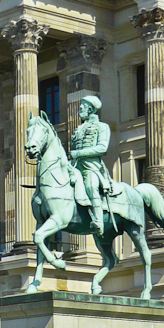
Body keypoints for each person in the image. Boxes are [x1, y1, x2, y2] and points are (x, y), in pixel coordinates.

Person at [69, 96, 114, 232]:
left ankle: (98, 221)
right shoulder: (78, 130)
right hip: (75, 166)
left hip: (91, 167)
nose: (80, 109)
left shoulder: (102, 127)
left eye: (82, 106)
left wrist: (78, 154)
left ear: (90, 109)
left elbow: (102, 148)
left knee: (91, 186)